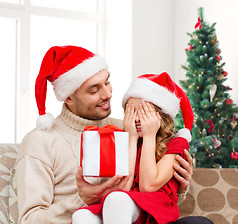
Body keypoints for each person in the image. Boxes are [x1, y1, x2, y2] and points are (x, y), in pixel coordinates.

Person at [15, 45, 211, 224]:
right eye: (94, 90)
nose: (108, 94)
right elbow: (29, 220)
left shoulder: (128, 127)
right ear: (68, 97)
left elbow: (151, 189)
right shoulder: (40, 141)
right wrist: (81, 200)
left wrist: (179, 184)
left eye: (107, 82)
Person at [71, 72, 212, 224]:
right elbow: (124, 188)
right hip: (126, 207)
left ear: (161, 115)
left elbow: (148, 186)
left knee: (117, 199)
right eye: (131, 112)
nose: (136, 119)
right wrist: (131, 137)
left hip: (154, 209)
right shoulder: (125, 141)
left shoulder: (176, 143)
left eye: (144, 112)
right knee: (81, 216)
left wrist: (149, 136)